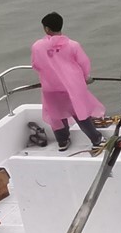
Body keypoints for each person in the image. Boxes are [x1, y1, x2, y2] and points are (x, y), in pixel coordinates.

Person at [31, 12, 105, 150]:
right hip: (72, 86)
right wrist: (86, 78)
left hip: (50, 88)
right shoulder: (73, 45)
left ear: (46, 29)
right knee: (80, 113)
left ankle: (63, 142)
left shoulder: (37, 46)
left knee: (56, 115)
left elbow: (36, 65)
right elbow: (84, 64)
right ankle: (96, 139)